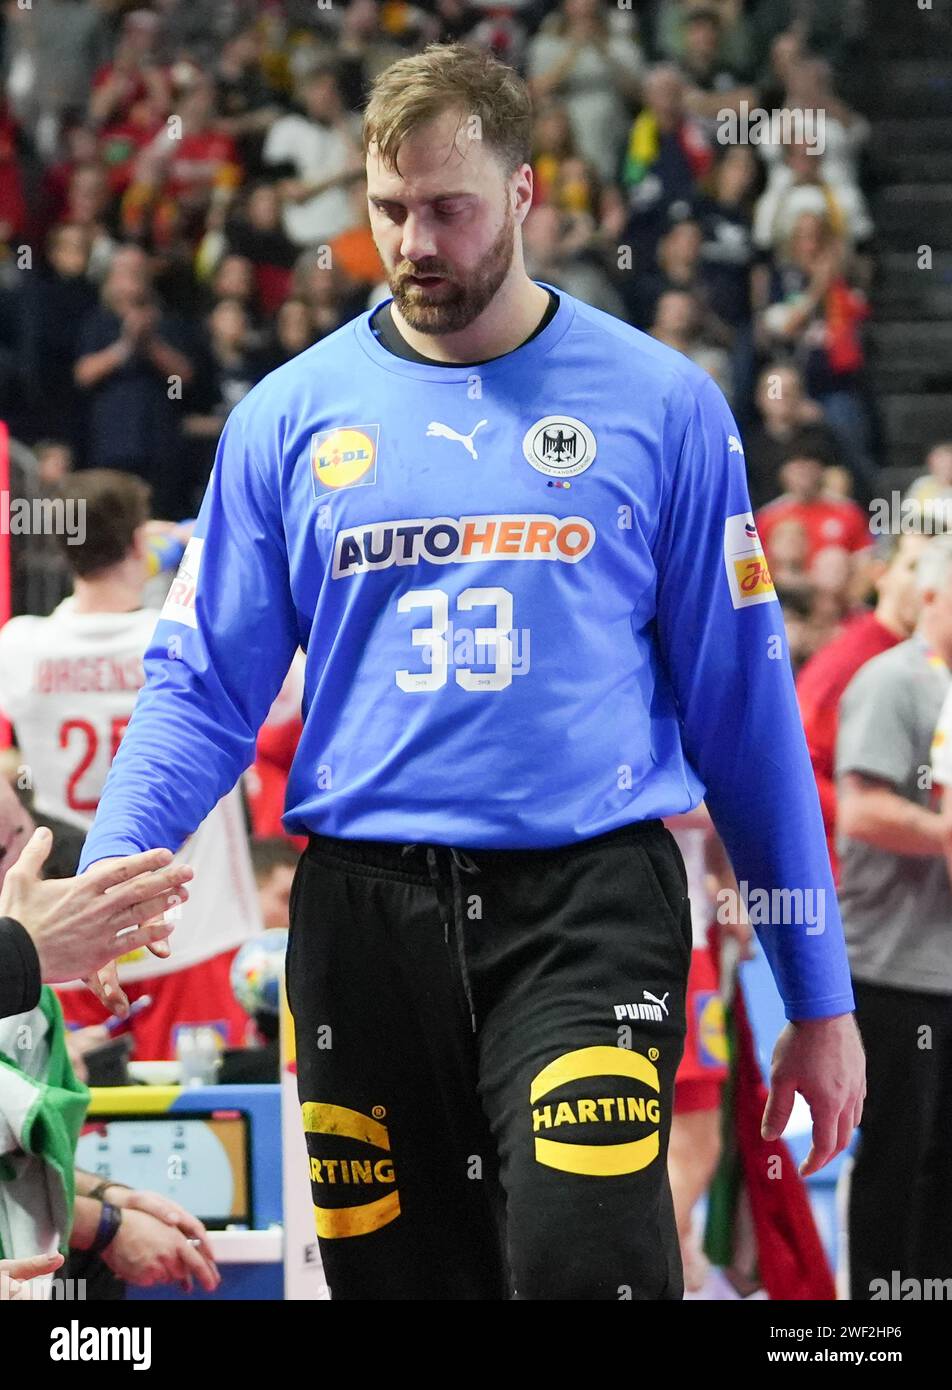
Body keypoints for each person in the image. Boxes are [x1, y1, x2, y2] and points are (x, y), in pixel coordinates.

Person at [73, 43, 863, 1301]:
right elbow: (202, 686)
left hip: (584, 908)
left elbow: (746, 717)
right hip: (361, 921)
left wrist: (818, 1000)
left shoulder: (663, 405)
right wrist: (107, 880)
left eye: (450, 206)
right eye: (389, 210)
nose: (416, 241)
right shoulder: (289, 413)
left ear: (523, 195)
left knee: (583, 1265)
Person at [0, 471, 261, 1056]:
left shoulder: (19, 646)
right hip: (193, 927)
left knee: (80, 1131)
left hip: (70, 935)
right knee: (209, 1126)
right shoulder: (181, 636)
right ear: (138, 543)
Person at [836, 535, 952, 1298]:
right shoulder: (893, 681)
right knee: (898, 1165)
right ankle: (879, 1315)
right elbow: (860, 808)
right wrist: (944, 833)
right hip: (895, 965)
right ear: (934, 598)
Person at [797, 533, 928, 878]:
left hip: (909, 875)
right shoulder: (846, 663)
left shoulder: (930, 660)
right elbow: (797, 770)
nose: (927, 583)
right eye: (915, 567)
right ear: (880, 574)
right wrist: (875, 818)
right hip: (847, 879)